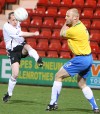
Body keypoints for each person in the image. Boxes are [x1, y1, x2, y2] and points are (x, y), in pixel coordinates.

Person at [46, 8, 100, 113]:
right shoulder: (81, 26)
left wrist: (66, 23)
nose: (65, 18)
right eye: (66, 16)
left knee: (58, 76)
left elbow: (61, 33)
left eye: (68, 16)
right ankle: (95, 107)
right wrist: (69, 22)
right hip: (88, 58)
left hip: (81, 58)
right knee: (81, 83)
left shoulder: (75, 30)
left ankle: (53, 103)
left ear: (75, 17)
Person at [2, 12, 43, 102]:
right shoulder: (7, 27)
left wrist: (23, 14)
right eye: (13, 20)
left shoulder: (17, 22)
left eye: (16, 19)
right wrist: (34, 34)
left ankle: (38, 59)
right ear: (8, 20)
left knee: (27, 46)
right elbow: (21, 34)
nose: (15, 22)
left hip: (20, 46)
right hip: (13, 51)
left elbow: (22, 16)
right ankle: (9, 93)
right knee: (15, 74)